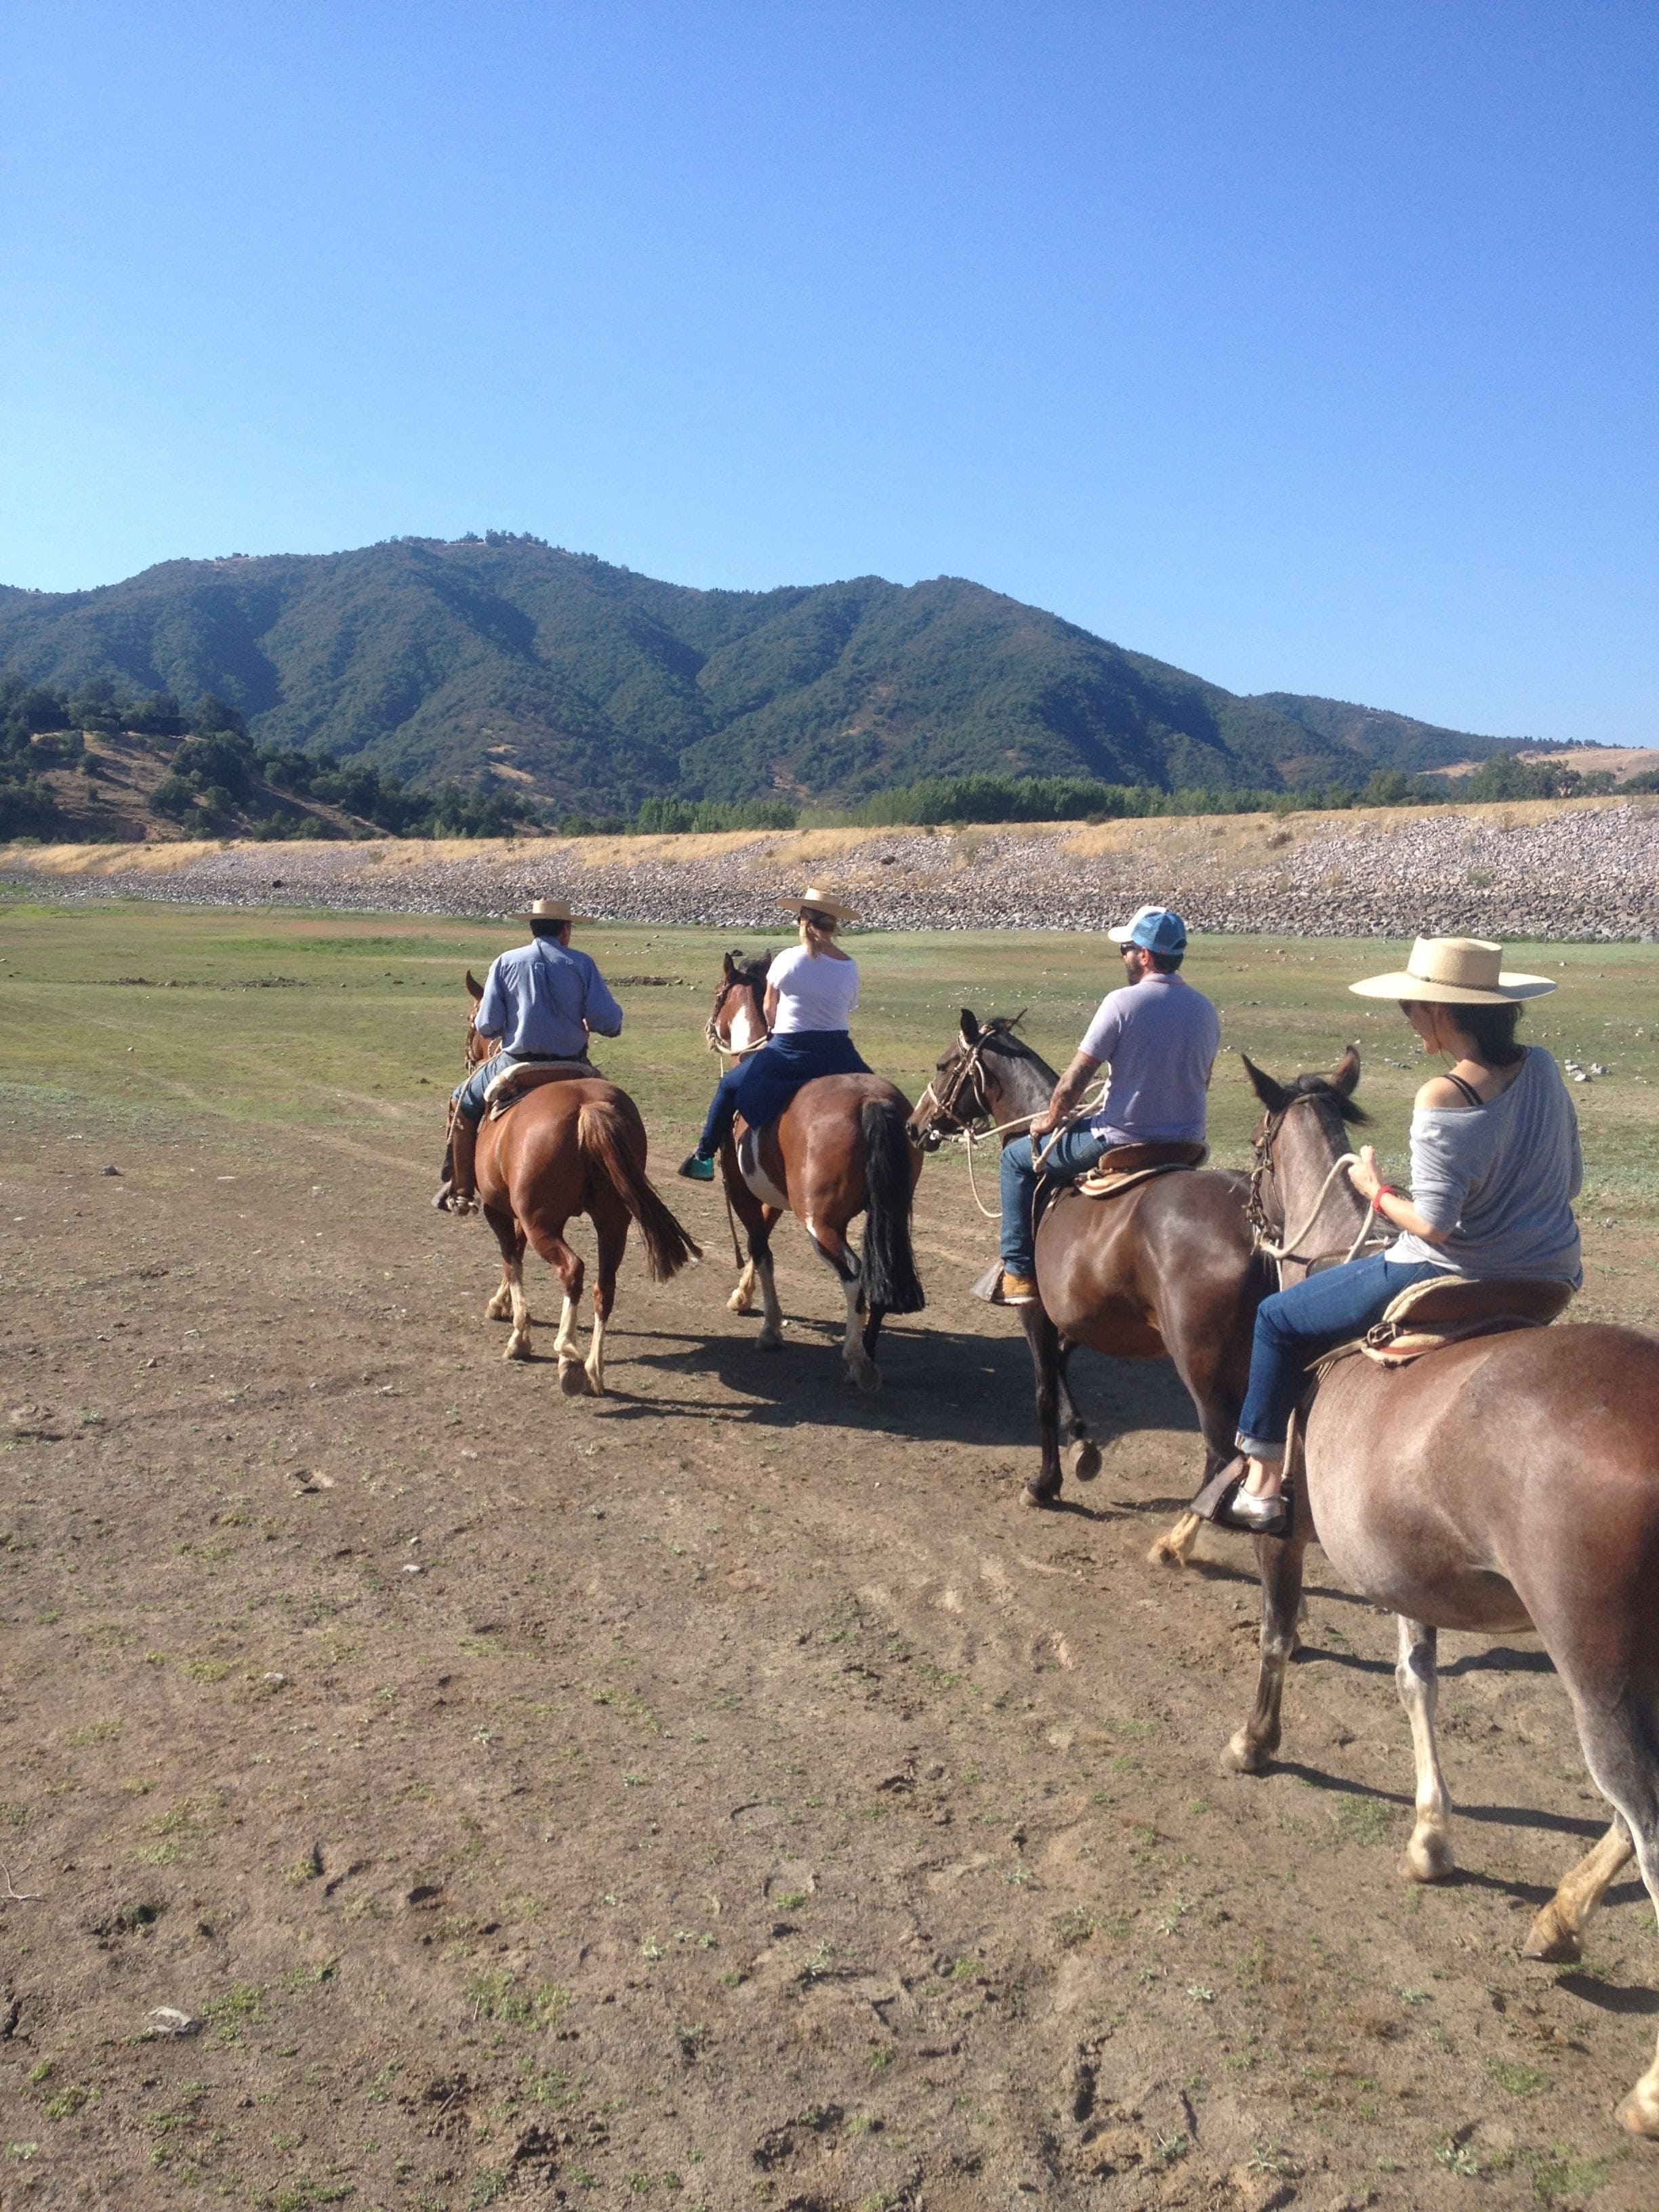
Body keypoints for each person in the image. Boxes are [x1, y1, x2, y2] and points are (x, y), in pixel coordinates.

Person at [1220, 935, 1580, 1536]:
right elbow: (1569, 1176)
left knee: (1278, 1319)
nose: (1408, 1019)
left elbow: (1435, 1226)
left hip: (1454, 1270)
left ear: (1439, 1011)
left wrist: (1375, 1190)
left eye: (1411, 1007)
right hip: (1551, 1271)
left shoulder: (1443, 1094)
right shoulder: (1541, 1066)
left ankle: (1260, 1482)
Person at [994, 904, 1221, 1305]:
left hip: (1121, 1138)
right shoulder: (1205, 1008)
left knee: (1015, 1160)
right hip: (1189, 1141)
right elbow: (1202, 1079)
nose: (1124, 957)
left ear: (1145, 956)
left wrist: (1049, 1121)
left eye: (1127, 949)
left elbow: (1074, 1082)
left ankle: (1018, 1273)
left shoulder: (1121, 1003)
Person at [438, 897, 623, 1215]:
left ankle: (464, 1188)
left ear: (532, 928)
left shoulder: (506, 962)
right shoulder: (582, 964)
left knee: (461, 1099)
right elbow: (610, 1022)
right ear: (566, 931)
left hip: (516, 1062)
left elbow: (487, 1024)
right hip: (575, 1065)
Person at [678, 886, 870, 1180]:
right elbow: (850, 1006)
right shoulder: (849, 965)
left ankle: (703, 1157)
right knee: (877, 1096)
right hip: (840, 1053)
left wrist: (773, 1031)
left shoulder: (788, 959)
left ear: (804, 920)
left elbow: (769, 1008)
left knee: (729, 1086)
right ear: (834, 925)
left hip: (790, 1051)